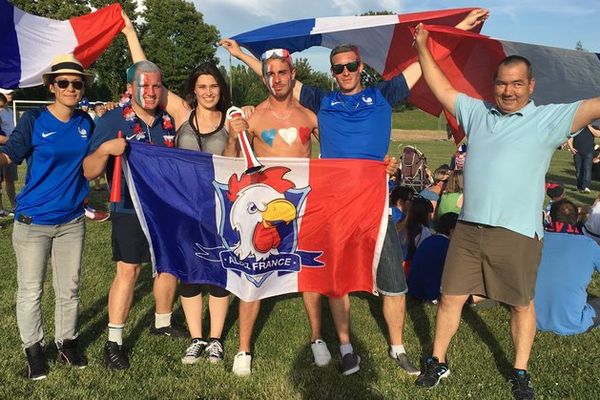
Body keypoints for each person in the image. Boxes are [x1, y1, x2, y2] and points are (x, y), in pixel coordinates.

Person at [221, 8, 488, 376]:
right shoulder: (321, 102)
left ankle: (398, 347)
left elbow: (423, 62)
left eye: (350, 66)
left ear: (361, 66)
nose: (345, 72)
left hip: (375, 204)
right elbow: (274, 78)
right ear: (332, 72)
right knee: (337, 281)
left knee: (394, 282)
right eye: (339, 68)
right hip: (333, 206)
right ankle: (346, 347)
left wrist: (457, 29)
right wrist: (241, 56)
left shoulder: (383, 95)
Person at [414, 21, 600, 400]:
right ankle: (437, 360)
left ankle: (519, 372)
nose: (508, 90)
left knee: (520, 303)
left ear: (531, 86)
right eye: (502, 83)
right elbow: (442, 88)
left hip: (516, 233)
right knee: (451, 297)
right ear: (492, 84)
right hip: (468, 230)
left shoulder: (548, 119)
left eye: (517, 83)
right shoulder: (477, 113)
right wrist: (421, 46)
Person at [218, 45, 321, 376]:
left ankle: (318, 338)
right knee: (254, 272)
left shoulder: (309, 116)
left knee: (310, 271)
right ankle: (244, 349)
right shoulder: (253, 116)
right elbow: (232, 160)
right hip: (264, 205)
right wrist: (234, 136)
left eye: (282, 72)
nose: (276, 79)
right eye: (270, 74)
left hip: (302, 205)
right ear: (264, 79)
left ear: (293, 75)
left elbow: (335, 156)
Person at [83, 59, 186, 371]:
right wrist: (104, 151)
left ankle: (162, 321)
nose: (151, 91)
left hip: (164, 207)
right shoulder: (113, 119)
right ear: (130, 88)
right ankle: (114, 341)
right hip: (128, 207)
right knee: (129, 272)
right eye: (144, 86)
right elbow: (88, 171)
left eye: (157, 85)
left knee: (168, 266)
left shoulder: (167, 121)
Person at [0, 54, 94, 380]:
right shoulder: (33, 120)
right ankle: (35, 353)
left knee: (69, 289)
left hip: (71, 221)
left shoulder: (86, 123)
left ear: (82, 88)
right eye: (64, 83)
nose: (71, 88)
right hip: (33, 222)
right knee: (30, 291)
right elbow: (9, 154)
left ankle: (67, 344)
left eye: (76, 83)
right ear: (52, 86)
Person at [535, 199, 600, 335]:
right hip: (574, 322)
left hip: (530, 316)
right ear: (576, 219)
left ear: (550, 217)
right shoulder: (589, 245)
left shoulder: (535, 240)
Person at [407, 212, 458, 302]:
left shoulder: (428, 240)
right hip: (431, 292)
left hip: (413, 288)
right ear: (452, 231)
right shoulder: (448, 247)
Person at [567, 124, 600, 193]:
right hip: (577, 152)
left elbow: (598, 134)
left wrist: (588, 126)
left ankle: (586, 186)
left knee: (587, 169)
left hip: (589, 152)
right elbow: (570, 137)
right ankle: (579, 187)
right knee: (578, 170)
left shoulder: (592, 126)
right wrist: (571, 148)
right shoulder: (577, 126)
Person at [0, 89, 17, 216]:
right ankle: (0, 209)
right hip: (3, 147)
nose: (10, 95)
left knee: (10, 179)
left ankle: (14, 206)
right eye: (7, 93)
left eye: (11, 93)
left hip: (10, 148)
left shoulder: (10, 111)